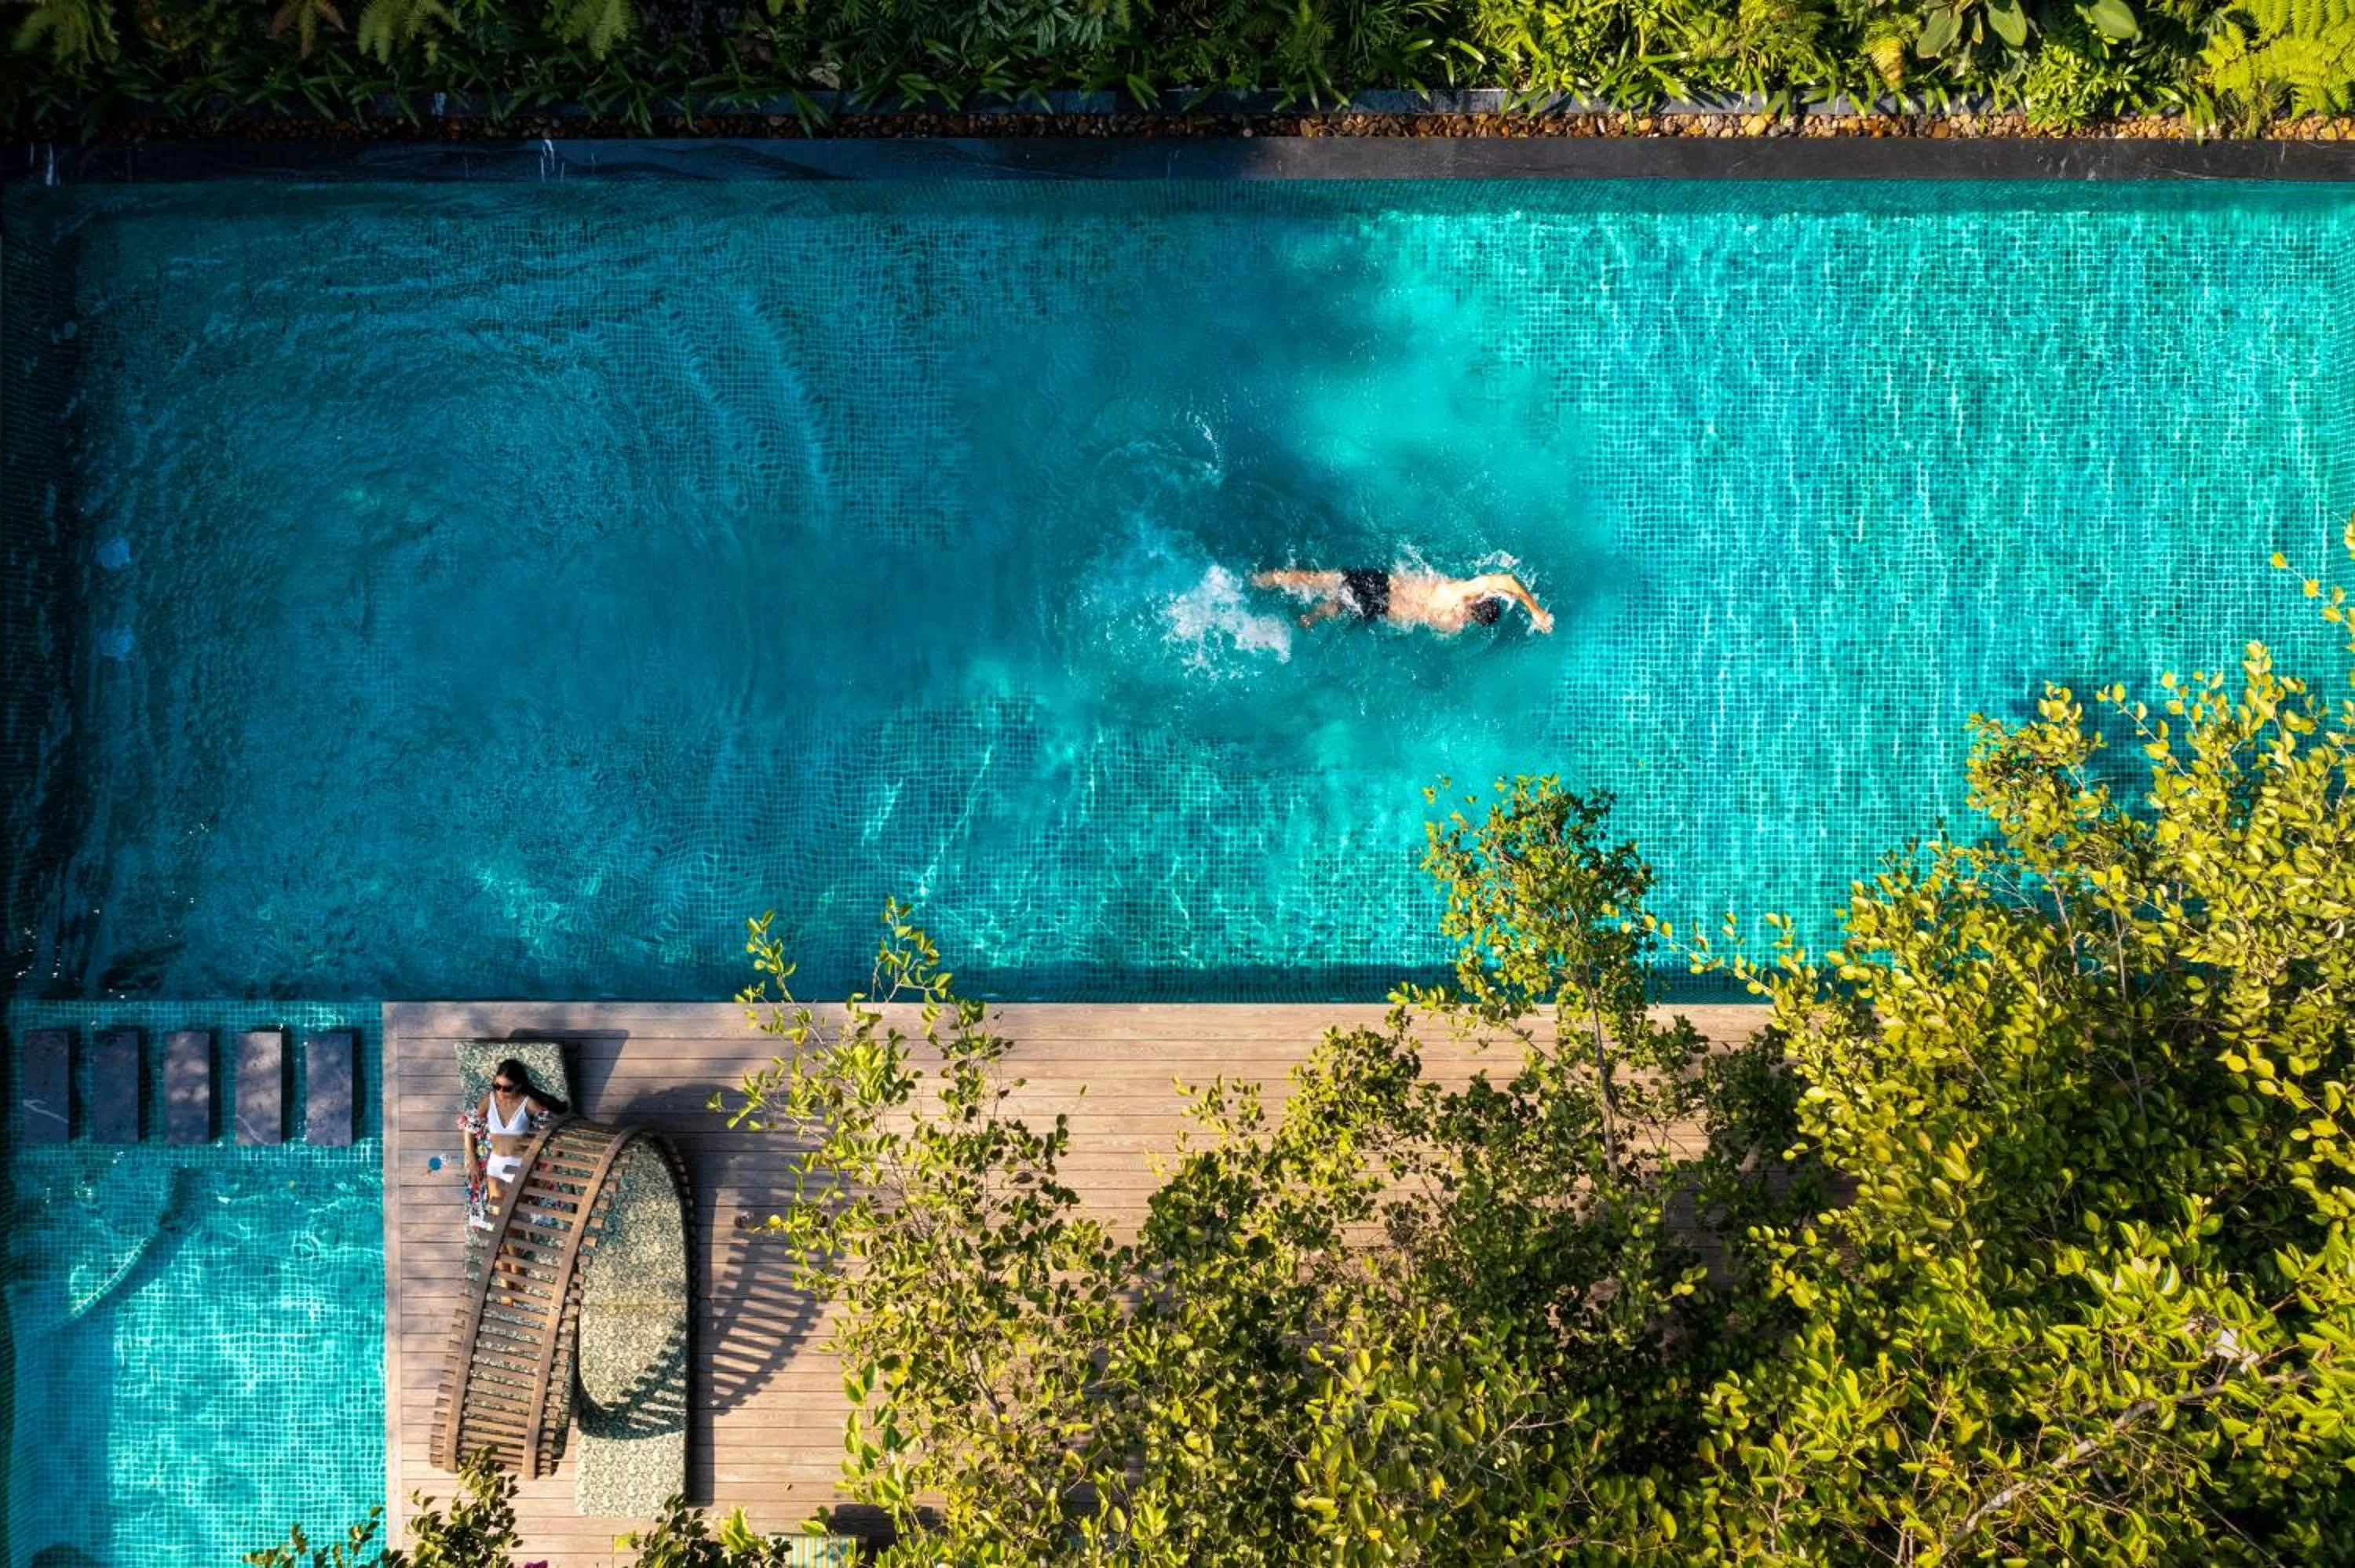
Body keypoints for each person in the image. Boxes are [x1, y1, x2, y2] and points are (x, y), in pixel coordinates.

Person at [1251, 566, 1554, 635]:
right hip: (1382, 607)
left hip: (1381, 584)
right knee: (1334, 608)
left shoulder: (1459, 591)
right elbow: (1507, 583)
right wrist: (1537, 613)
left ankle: (1262, 580)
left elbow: (1505, 581)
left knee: (1314, 580)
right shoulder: (1455, 623)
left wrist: (1536, 610)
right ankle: (1309, 618)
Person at [462, 1058, 569, 1231]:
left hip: (519, 1166)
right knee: (498, 1215)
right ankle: (506, 1258)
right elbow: (469, 1128)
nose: (501, 1092)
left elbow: (555, 1131)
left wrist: (551, 1164)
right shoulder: (489, 1100)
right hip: (495, 1166)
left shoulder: (529, 1103)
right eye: (497, 1086)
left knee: (508, 1215)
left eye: (507, 1088)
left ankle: (503, 1258)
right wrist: (472, 1159)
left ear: (518, 1086)